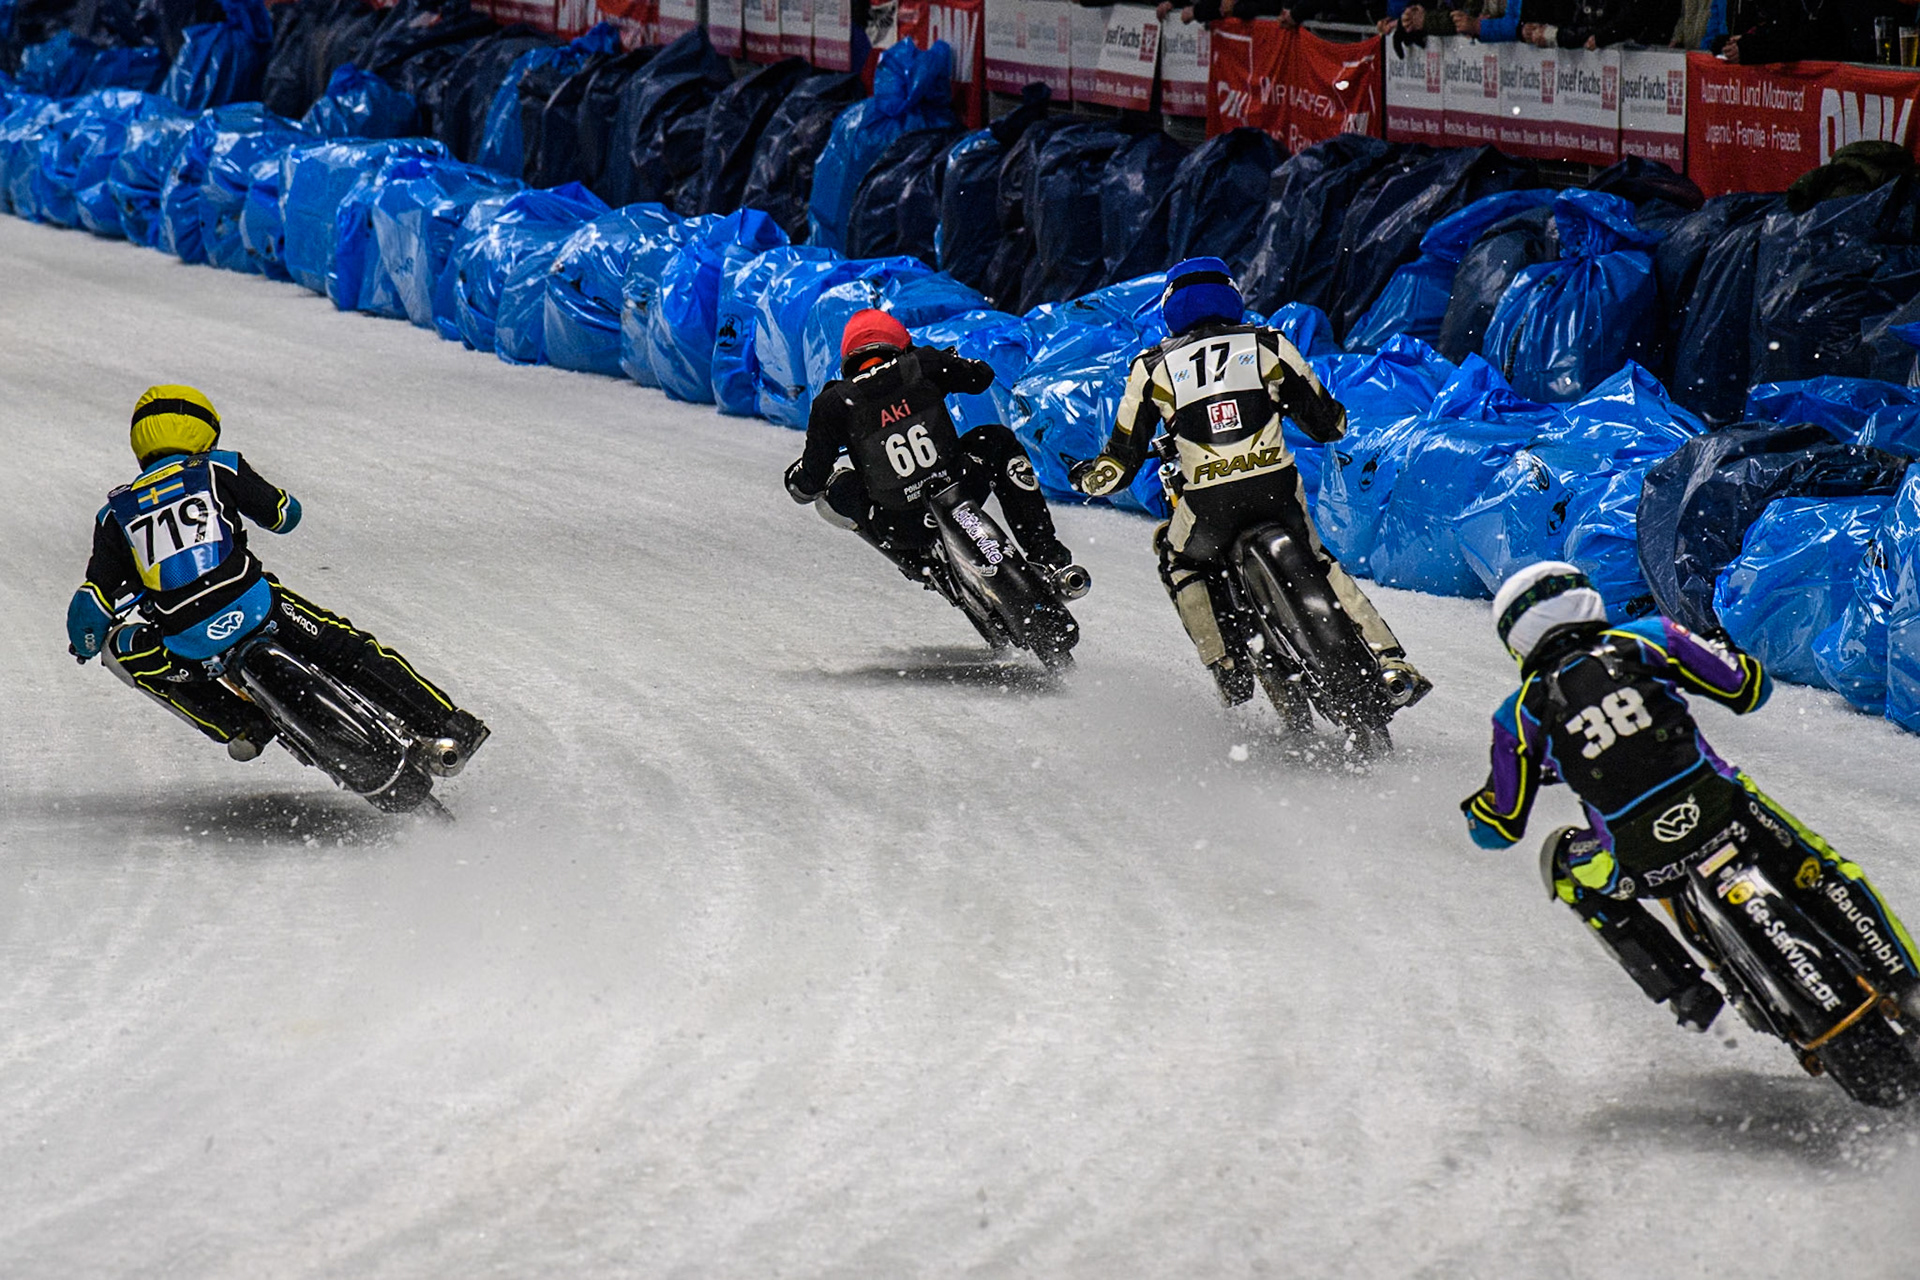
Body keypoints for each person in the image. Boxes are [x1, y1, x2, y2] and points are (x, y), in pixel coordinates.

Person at [1462, 561, 1920, 1033]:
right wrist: (1722, 650)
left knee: (1561, 863)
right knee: (1821, 873)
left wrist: (1479, 807)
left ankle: (1685, 989)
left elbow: (1497, 829)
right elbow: (1748, 689)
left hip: (1638, 861)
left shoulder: (1519, 715)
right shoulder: (1647, 638)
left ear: (1516, 637)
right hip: (1725, 813)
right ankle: (1907, 985)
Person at [66, 385, 488, 770]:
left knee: (117, 650)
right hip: (257, 609)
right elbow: (284, 515)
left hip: (187, 646)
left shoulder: (113, 515)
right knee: (348, 650)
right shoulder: (217, 467)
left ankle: (240, 723)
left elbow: (90, 607)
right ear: (205, 433)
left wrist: (85, 643)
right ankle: (449, 725)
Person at [1067, 257, 1427, 708]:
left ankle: (1227, 666)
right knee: (1318, 561)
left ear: (1170, 307)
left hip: (1209, 505)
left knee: (1180, 561)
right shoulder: (1268, 343)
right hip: (1276, 492)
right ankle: (1389, 659)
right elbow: (1328, 425)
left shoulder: (1152, 366)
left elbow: (1120, 460)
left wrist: (1088, 480)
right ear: (1232, 297)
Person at [784, 310, 1089, 598]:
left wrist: (796, 478)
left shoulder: (831, 403)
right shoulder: (923, 363)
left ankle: (918, 564)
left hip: (899, 524)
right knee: (997, 439)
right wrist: (950, 363)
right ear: (901, 346)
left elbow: (809, 483)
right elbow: (981, 377)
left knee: (837, 487)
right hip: (960, 488)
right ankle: (1046, 553)